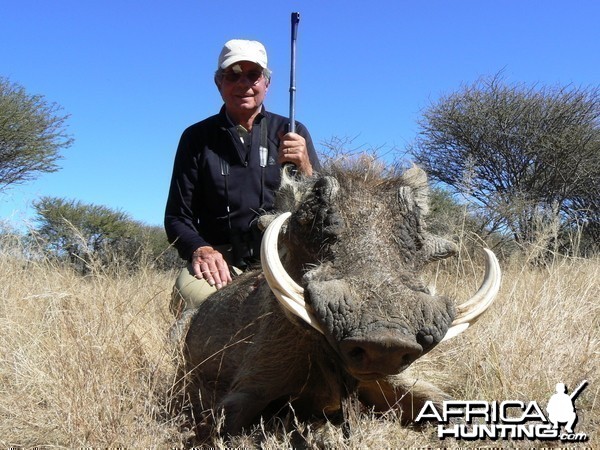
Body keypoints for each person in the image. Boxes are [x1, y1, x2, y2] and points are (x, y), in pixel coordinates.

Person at [165, 39, 320, 318]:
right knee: (191, 296)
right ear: (218, 83)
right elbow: (177, 217)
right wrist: (201, 249)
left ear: (266, 83)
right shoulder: (196, 138)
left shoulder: (292, 131)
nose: (243, 83)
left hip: (282, 255)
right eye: (233, 75)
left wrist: (306, 166)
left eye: (253, 75)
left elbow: (321, 206)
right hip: (221, 258)